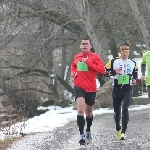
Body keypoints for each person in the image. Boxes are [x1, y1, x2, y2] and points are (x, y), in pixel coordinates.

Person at [71, 37, 105, 145]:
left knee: (88, 112)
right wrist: (72, 72)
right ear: (80, 46)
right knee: (80, 110)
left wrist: (89, 62)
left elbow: (102, 70)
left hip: (91, 87)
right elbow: (73, 65)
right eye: (83, 44)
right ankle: (81, 135)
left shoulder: (95, 57)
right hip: (79, 85)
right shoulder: (77, 56)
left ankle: (88, 130)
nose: (84, 45)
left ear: (91, 46)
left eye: (87, 44)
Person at [105, 43, 138, 140]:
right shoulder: (113, 61)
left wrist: (134, 79)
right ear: (120, 51)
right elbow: (104, 72)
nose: (125, 52)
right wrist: (114, 72)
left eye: (126, 50)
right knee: (117, 111)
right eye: (123, 50)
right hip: (116, 89)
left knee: (125, 108)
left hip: (128, 89)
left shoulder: (132, 62)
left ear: (129, 51)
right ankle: (118, 129)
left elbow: (135, 74)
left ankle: (124, 132)